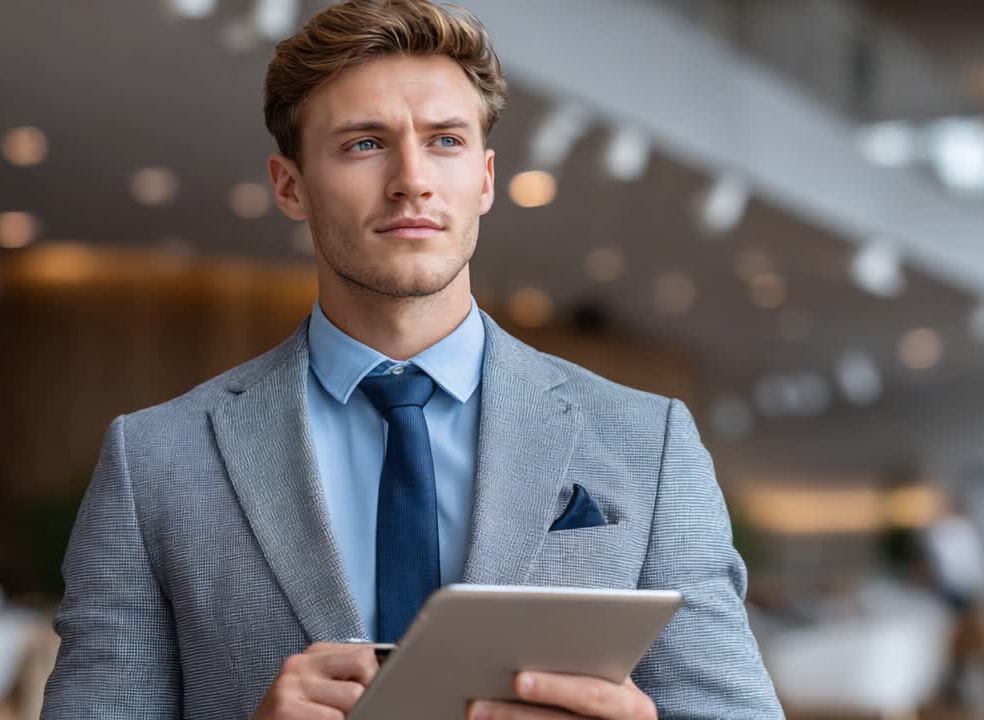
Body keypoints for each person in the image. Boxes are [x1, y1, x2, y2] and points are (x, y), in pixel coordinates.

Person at [41, 2, 782, 718]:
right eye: (364, 142)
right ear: (290, 186)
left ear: (486, 179)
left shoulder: (647, 444)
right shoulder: (154, 462)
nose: (412, 179)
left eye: (445, 141)